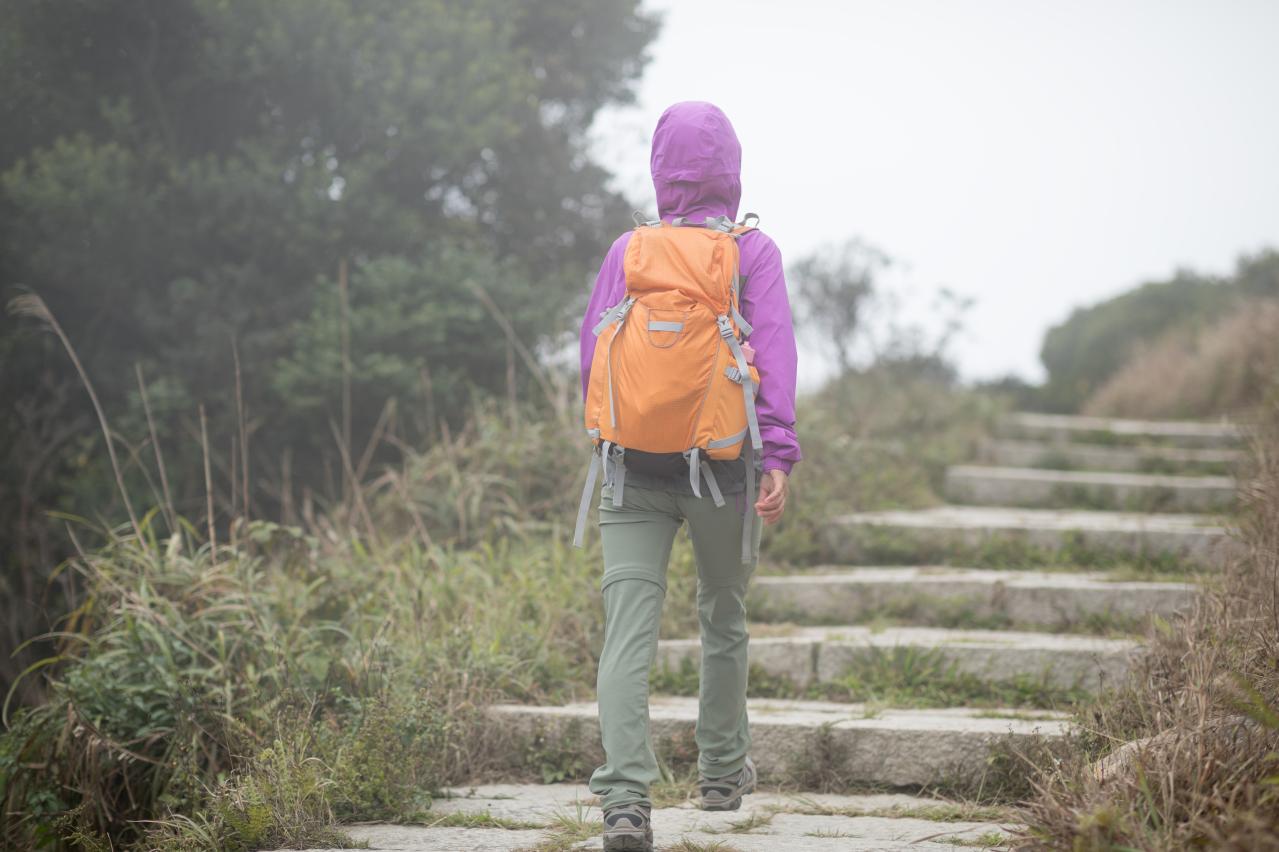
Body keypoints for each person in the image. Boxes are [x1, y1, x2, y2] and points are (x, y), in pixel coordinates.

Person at [578, 101, 802, 852]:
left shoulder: (629, 249)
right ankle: (720, 773)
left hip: (628, 470)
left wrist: (616, 437)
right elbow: (772, 351)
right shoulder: (752, 252)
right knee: (722, 618)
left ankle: (625, 804)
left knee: (627, 634)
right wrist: (777, 452)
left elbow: (592, 358)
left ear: (658, 171)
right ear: (731, 174)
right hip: (725, 469)